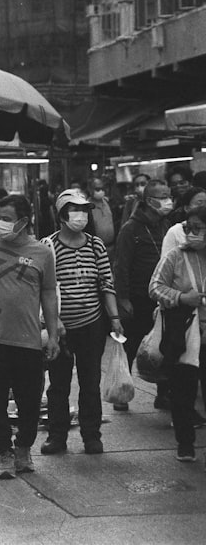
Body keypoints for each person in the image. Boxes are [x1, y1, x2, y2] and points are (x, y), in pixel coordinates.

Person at [0, 194, 60, 480]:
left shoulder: (42, 253)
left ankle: (23, 448)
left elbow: (48, 294)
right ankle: (4, 454)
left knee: (30, 401)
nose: (0, 224)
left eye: (6, 218)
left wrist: (53, 334)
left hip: (29, 341)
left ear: (24, 221)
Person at [39, 189, 123, 456]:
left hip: (92, 325)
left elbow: (106, 284)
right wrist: (54, 324)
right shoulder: (47, 246)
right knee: (59, 385)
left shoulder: (95, 245)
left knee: (90, 382)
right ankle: (57, 436)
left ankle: (91, 436)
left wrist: (114, 318)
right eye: (75, 210)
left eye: (84, 210)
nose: (81, 215)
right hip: (60, 329)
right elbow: (43, 290)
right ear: (62, 215)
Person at [148, 205, 206, 463]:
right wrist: (183, 298)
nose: (191, 233)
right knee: (183, 393)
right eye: (188, 228)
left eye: (197, 228)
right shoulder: (175, 256)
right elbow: (155, 288)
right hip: (183, 336)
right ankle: (185, 443)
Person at [113, 178, 172, 411]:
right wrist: (123, 298)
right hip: (138, 297)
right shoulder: (131, 228)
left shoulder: (167, 225)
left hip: (163, 296)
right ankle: (122, 393)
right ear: (149, 200)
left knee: (164, 345)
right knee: (132, 345)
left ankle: (163, 393)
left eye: (169, 195)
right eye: (163, 196)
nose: (168, 201)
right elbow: (121, 265)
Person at [162, 187, 206, 257]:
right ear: (187, 208)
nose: (204, 207)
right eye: (199, 203)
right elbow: (166, 260)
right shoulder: (175, 231)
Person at [88, 176, 116, 251]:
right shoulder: (87, 207)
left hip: (112, 247)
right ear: (90, 189)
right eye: (97, 189)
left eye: (102, 189)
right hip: (96, 249)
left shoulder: (108, 203)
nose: (100, 191)